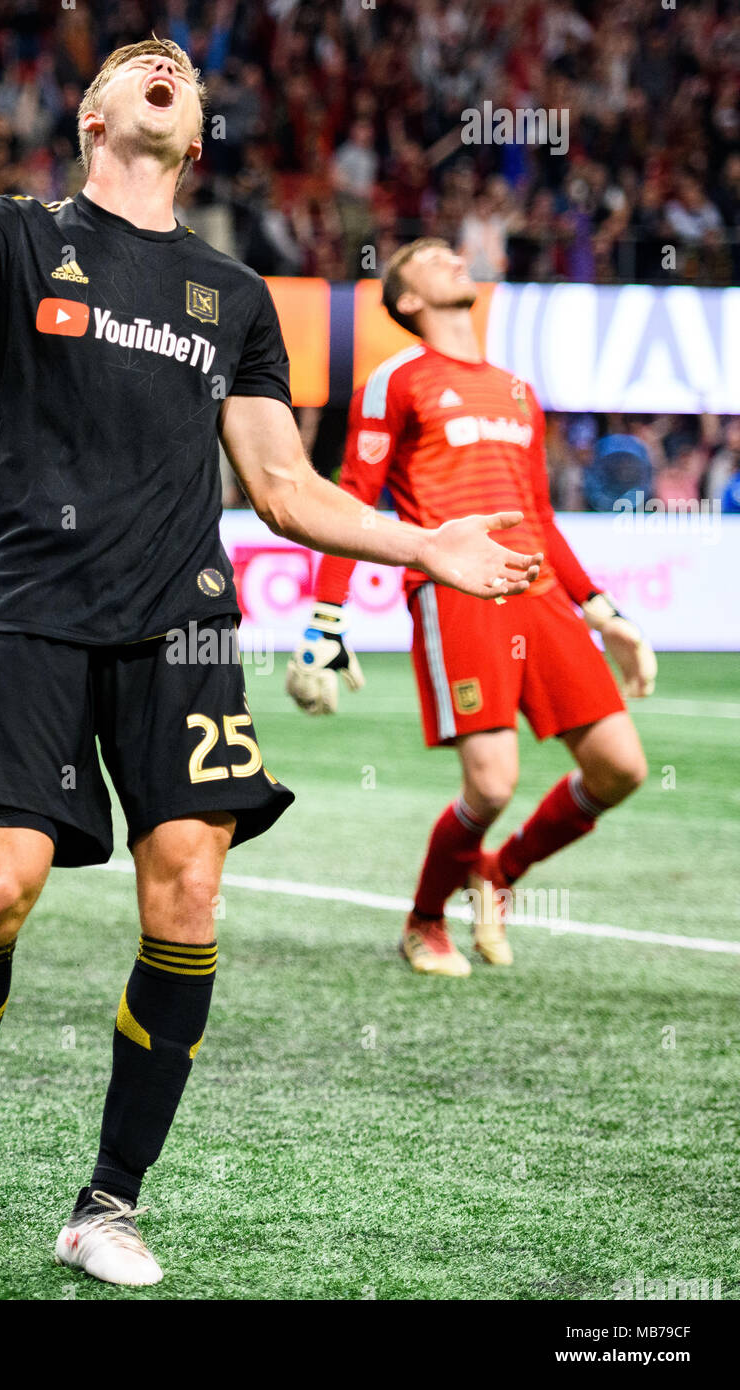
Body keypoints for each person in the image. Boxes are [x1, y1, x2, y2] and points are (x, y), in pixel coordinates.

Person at [0, 41, 541, 1289]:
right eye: (137, 61)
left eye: (180, 70)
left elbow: (286, 488)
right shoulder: (16, 233)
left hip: (183, 624)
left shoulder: (234, 296)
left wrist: (427, 544)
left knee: (187, 896)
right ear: (92, 112)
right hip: (33, 611)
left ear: (194, 135)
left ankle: (107, 1203)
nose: (163, 66)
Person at [287, 238, 655, 978]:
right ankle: (425, 920)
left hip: (542, 593)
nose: (452, 256)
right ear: (409, 300)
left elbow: (542, 517)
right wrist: (326, 618)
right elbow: (353, 503)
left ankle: (498, 874)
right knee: (491, 783)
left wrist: (604, 611)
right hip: (456, 594)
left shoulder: (518, 389)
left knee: (621, 768)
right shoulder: (395, 380)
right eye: (428, 256)